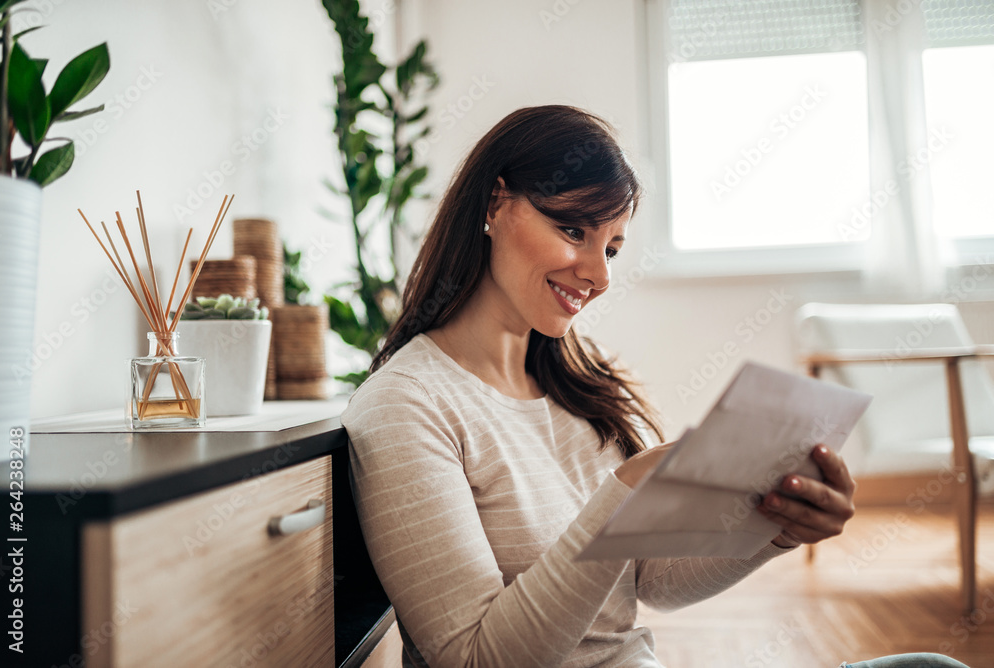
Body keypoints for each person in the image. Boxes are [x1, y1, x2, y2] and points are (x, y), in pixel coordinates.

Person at [341, 105, 970, 668]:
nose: (597, 275)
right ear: (493, 205)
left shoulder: (580, 384)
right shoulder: (407, 405)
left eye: (612, 248)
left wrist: (777, 529)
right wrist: (621, 493)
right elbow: (476, 659)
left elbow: (654, 582)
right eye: (573, 230)